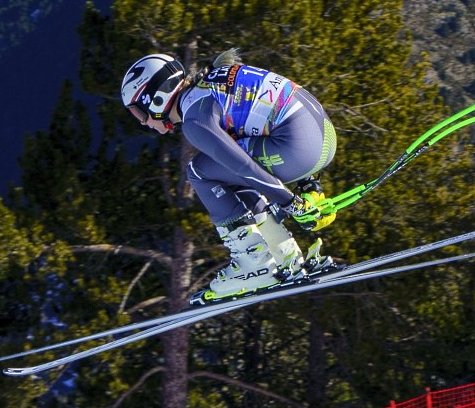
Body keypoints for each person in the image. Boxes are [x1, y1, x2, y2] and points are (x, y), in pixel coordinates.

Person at [120, 49, 338, 305]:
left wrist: (289, 201)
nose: (143, 122)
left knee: (199, 172)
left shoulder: (195, 120)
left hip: (297, 146)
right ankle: (283, 253)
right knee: (224, 168)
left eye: (138, 112)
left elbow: (244, 167)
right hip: (322, 136)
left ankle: (254, 264)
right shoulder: (208, 83)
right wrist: (310, 183)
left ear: (155, 98)